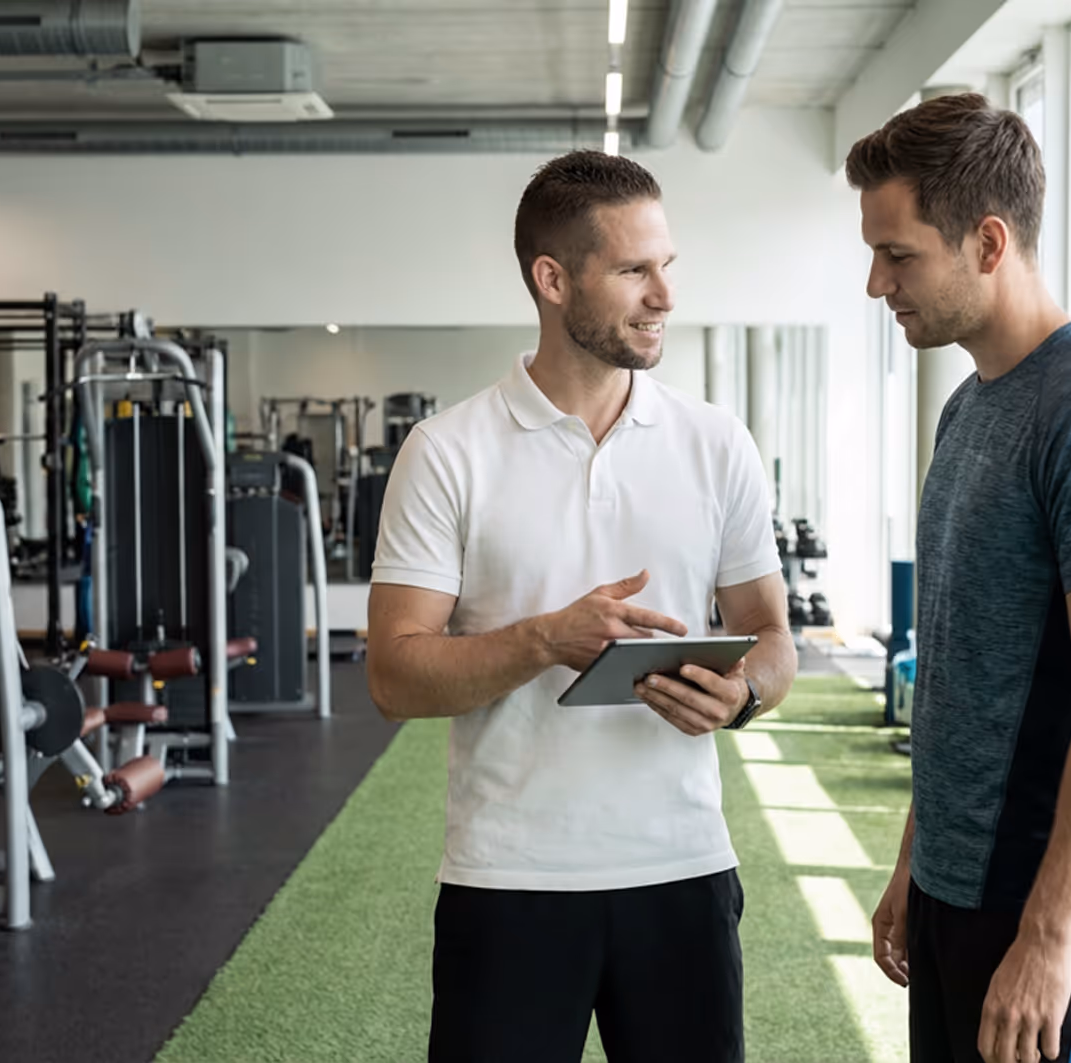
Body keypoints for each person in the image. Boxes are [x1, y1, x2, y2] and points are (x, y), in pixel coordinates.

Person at [365, 150, 797, 1063]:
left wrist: (746, 692)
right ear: (552, 279)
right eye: (634, 270)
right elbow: (395, 674)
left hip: (683, 871)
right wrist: (540, 639)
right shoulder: (446, 452)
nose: (664, 295)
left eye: (667, 265)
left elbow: (771, 635)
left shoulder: (716, 443)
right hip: (508, 880)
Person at [846, 94, 1071, 1063]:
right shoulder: (967, 411)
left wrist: (1045, 937)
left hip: (1052, 914)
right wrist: (919, 860)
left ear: (986, 241)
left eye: (897, 254)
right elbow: (962, 666)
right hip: (959, 893)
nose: (876, 282)